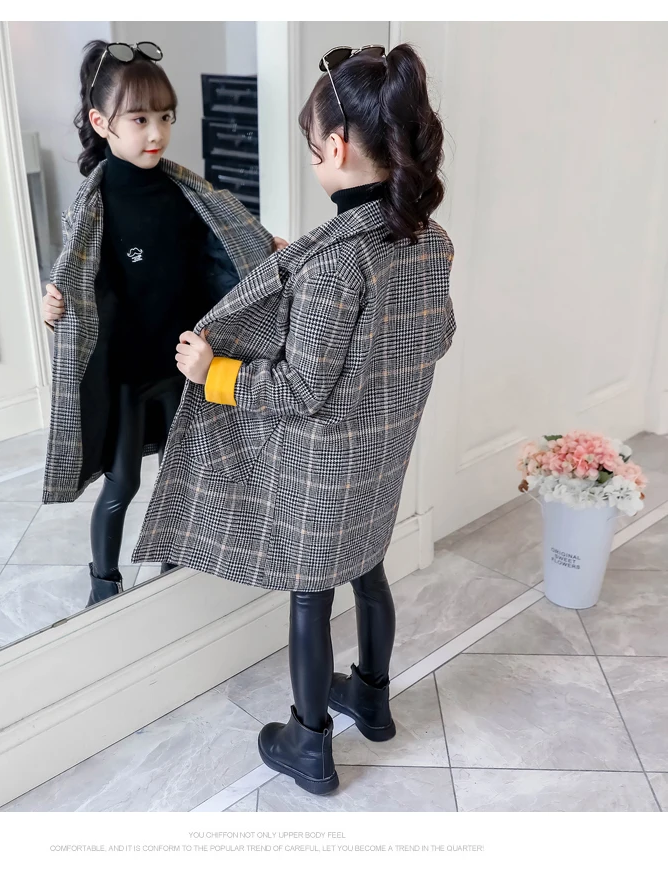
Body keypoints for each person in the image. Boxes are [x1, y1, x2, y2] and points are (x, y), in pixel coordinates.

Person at [133, 42, 456, 794]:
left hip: (323, 462)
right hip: (384, 452)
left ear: (337, 147)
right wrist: (303, 273)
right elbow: (436, 336)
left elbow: (300, 389)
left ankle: (309, 744)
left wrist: (210, 372)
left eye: (313, 149)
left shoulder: (336, 264)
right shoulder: (429, 240)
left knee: (311, 594)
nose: (314, 161)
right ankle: (371, 699)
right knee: (369, 569)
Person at [41, 40, 284, 608]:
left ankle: (177, 565)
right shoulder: (93, 207)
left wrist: (264, 248)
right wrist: (55, 307)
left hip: (183, 364)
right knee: (122, 482)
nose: (157, 133)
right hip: (129, 373)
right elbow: (77, 280)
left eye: (166, 117)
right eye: (140, 119)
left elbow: (225, 242)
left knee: (187, 473)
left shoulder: (185, 192)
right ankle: (104, 582)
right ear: (101, 123)